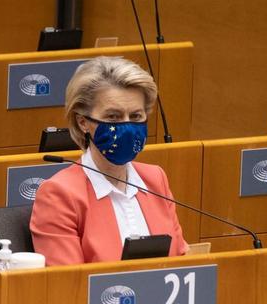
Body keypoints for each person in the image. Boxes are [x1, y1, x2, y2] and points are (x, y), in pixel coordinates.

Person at [30, 56, 188, 265]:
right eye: (113, 117)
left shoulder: (155, 179)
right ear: (83, 122)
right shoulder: (59, 195)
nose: (126, 126)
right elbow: (69, 286)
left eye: (135, 116)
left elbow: (181, 260)